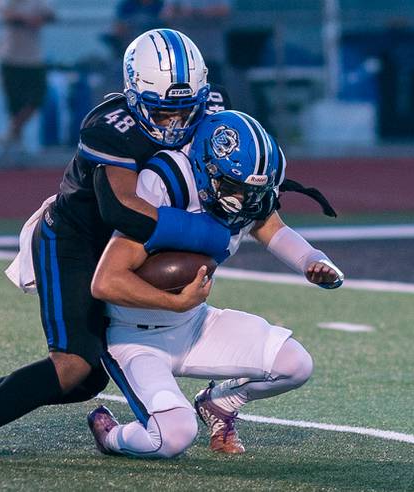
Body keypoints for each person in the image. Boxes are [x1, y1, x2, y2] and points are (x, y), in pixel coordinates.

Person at [0, 29, 235, 463]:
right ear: (134, 94)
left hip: (121, 245)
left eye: (183, 110)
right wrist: (208, 234)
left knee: (86, 380)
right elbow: (122, 209)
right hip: (74, 240)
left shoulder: (215, 111)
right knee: (73, 365)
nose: (173, 124)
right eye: (161, 112)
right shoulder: (111, 125)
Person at [86, 110, 343, 457]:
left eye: (253, 191)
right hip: (135, 338)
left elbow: (273, 228)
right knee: (172, 438)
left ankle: (220, 403)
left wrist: (312, 260)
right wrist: (175, 302)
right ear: (204, 166)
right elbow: (106, 281)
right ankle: (111, 436)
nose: (243, 201)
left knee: (296, 365)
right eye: (234, 188)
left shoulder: (247, 192)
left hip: (193, 324)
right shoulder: (168, 183)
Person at [0, 0, 55, 154]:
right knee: (14, 103)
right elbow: (5, 14)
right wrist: (27, 19)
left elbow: (50, 14)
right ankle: (17, 145)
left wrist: (40, 19)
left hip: (34, 59)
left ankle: (11, 131)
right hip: (10, 57)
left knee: (38, 97)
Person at [161, 0, 230, 84]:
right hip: (184, 56)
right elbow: (167, 13)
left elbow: (225, 10)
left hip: (211, 53)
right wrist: (185, 12)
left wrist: (197, 12)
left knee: (215, 89)